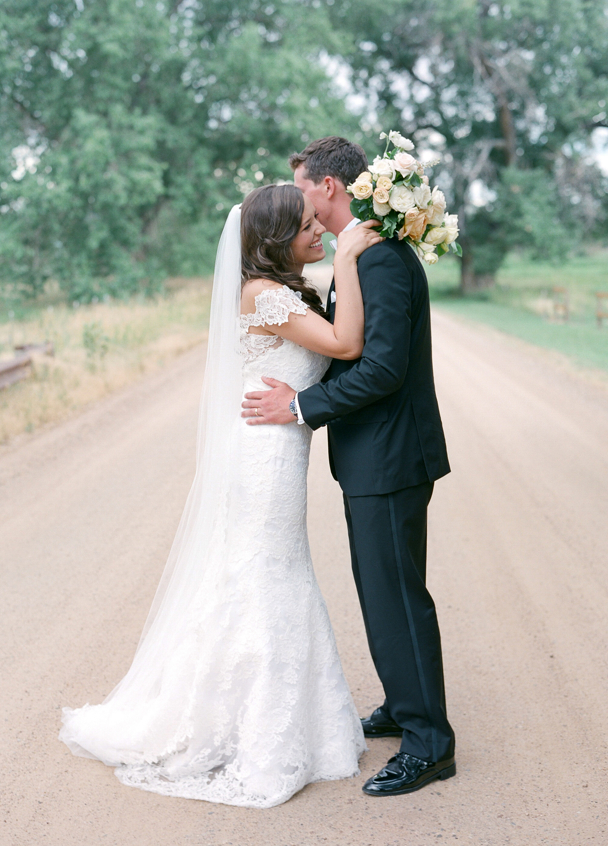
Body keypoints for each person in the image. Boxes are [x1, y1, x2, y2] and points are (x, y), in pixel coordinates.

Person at [59, 184, 383, 809]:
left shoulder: (276, 291)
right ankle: (250, 731)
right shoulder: (262, 295)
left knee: (271, 572)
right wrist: (346, 257)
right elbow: (345, 346)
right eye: (309, 227)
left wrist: (338, 263)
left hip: (277, 447)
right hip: (264, 456)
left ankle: (282, 721)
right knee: (263, 577)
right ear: (274, 239)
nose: (319, 233)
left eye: (322, 225)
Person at [241, 137, 456, 796]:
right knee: (382, 587)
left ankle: (428, 742)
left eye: (301, 187)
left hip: (390, 456)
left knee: (394, 595)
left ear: (328, 188)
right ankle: (403, 701)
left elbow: (383, 368)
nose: (296, 202)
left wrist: (303, 406)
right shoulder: (361, 255)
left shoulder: (382, 259)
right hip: (376, 457)